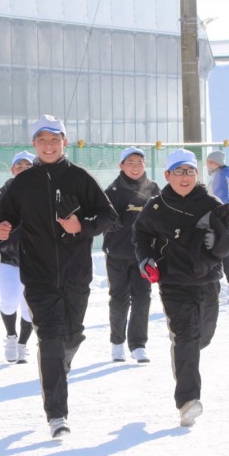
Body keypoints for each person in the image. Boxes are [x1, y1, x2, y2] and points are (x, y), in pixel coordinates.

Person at [0, 114, 117, 439]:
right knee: (49, 339)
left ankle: (63, 360)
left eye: (54, 139)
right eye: (42, 140)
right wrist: (0, 229)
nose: (49, 146)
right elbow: (2, 219)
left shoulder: (80, 177)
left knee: (72, 335)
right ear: (34, 144)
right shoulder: (22, 183)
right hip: (38, 276)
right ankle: (57, 416)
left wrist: (82, 227)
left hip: (76, 274)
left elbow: (109, 216)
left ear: (65, 142)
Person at [133, 149, 229, 428]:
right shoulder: (156, 206)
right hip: (173, 283)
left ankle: (188, 356)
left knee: (203, 337)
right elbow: (141, 235)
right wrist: (145, 259)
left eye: (190, 171)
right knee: (186, 339)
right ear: (167, 175)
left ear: (197, 174)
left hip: (207, 281)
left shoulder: (211, 203)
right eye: (179, 171)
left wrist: (221, 241)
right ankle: (188, 402)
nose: (185, 177)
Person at [102, 146, 160, 363]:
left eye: (139, 162)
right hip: (117, 252)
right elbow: (103, 220)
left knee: (142, 298)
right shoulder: (112, 191)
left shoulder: (153, 188)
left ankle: (138, 344)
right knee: (119, 299)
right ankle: (117, 342)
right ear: (122, 166)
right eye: (130, 163)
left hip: (143, 254)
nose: (135, 167)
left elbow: (162, 216)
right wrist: (118, 221)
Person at [0, 150, 37, 364]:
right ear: (12, 170)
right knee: (9, 301)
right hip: (8, 258)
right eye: (19, 166)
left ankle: (22, 344)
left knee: (29, 307)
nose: (23, 170)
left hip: (35, 260)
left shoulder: (43, 193)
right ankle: (11, 336)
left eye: (28, 166)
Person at [206, 149, 229, 301]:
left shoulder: (219, 177)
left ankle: (215, 295)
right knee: (228, 257)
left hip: (220, 223)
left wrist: (219, 220)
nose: (207, 165)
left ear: (214, 163)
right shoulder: (228, 176)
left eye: (209, 162)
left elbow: (221, 200)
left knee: (216, 257)